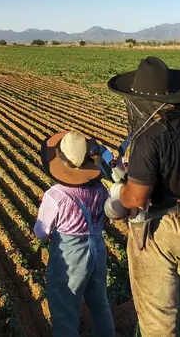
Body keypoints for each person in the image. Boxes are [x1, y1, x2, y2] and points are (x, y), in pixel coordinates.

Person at [104, 57, 180, 337]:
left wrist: (117, 193)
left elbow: (135, 199)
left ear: (142, 102)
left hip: (160, 228)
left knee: (159, 318)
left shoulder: (149, 139)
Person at [35, 131, 116, 337]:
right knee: (99, 304)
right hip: (97, 249)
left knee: (65, 309)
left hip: (70, 257)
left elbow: (41, 232)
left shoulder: (56, 195)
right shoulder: (100, 189)